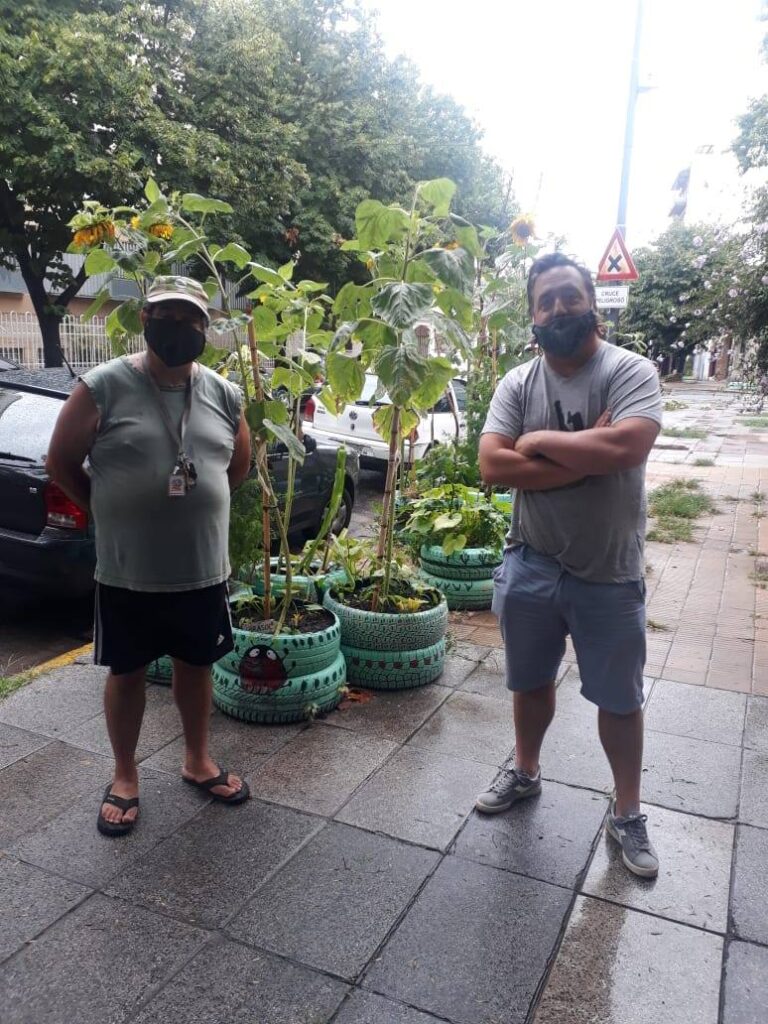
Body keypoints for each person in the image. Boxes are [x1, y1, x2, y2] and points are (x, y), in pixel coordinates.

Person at [476, 252, 663, 878]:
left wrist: (538, 442)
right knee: (528, 683)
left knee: (619, 697)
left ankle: (628, 811)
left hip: (608, 571)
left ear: (593, 305)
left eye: (569, 297)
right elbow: (493, 466)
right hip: (531, 563)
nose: (558, 309)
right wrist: (585, 455)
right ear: (533, 316)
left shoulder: (629, 370)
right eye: (545, 301)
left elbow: (628, 444)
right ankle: (525, 771)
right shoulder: (517, 384)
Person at [46, 276, 252, 837]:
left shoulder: (223, 394)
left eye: (192, 321)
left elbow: (238, 466)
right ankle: (124, 775)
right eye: (168, 317)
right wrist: (103, 507)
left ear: (206, 330)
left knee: (197, 665)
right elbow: (61, 461)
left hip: (201, 568)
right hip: (127, 570)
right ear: (145, 318)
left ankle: (197, 759)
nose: (180, 330)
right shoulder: (104, 387)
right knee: (126, 670)